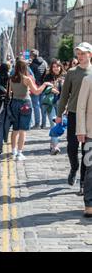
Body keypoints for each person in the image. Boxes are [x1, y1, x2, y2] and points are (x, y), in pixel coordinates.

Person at [57, 42, 92, 193]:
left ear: (90, 54)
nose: (80, 56)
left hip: (88, 116)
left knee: (87, 150)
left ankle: (84, 183)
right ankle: (74, 168)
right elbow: (64, 96)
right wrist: (59, 114)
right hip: (73, 114)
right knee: (72, 148)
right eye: (78, 53)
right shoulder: (71, 72)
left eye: (83, 53)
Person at [10, 59, 52, 161]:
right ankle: (19, 153)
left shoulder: (11, 78)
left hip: (14, 103)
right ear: (25, 68)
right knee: (23, 130)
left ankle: (13, 151)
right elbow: (37, 92)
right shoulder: (27, 79)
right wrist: (45, 84)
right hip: (25, 103)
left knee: (15, 129)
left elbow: (10, 92)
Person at [76, 71, 92, 215]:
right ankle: (89, 203)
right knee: (90, 169)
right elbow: (81, 107)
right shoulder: (88, 79)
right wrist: (80, 130)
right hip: (90, 133)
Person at [41, 60, 64, 154]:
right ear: (51, 68)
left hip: (61, 103)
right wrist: (50, 89)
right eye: (54, 66)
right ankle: (55, 147)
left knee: (58, 125)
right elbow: (43, 89)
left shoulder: (65, 76)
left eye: (58, 66)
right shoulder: (47, 77)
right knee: (53, 125)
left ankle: (52, 145)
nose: (56, 68)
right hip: (50, 104)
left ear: (60, 67)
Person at [29, 49, 47, 129]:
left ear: (32, 56)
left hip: (35, 86)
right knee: (42, 105)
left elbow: (30, 76)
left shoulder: (32, 65)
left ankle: (37, 124)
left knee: (36, 105)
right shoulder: (44, 63)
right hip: (43, 86)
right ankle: (44, 123)